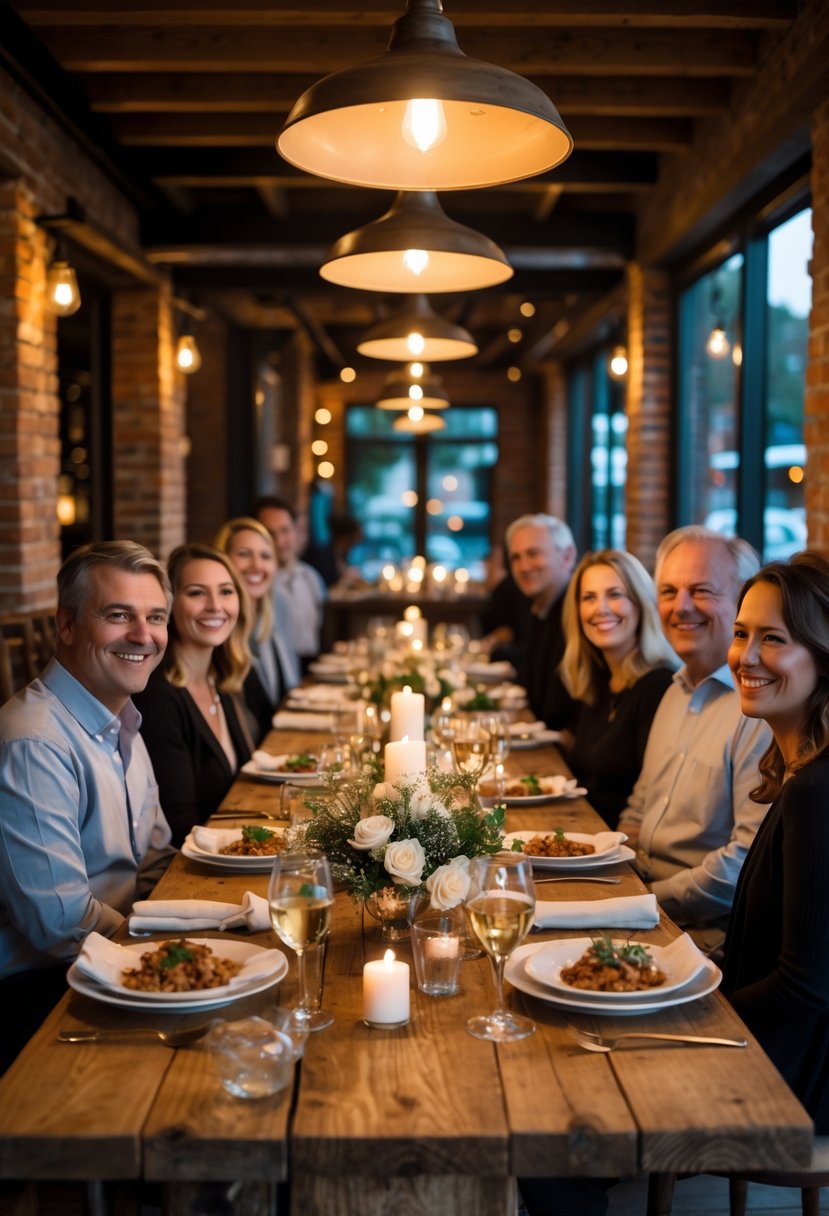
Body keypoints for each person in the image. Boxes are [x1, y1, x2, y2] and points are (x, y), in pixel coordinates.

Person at [0, 541, 175, 1070]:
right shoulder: (34, 742)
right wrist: (173, 953)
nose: (143, 635)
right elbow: (61, 925)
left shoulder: (119, 715)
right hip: (42, 998)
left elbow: (157, 859)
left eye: (155, 617)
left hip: (112, 959)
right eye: (118, 615)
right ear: (67, 625)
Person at [618, 526, 772, 954]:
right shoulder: (673, 691)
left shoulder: (758, 709)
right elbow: (638, 807)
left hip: (698, 939)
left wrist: (646, 900)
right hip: (641, 902)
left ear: (744, 601)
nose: (681, 606)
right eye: (669, 591)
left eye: (701, 590)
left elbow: (745, 863)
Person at [722, 551, 829, 1130]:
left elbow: (804, 986)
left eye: (774, 638)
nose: (748, 657)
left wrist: (702, 1011)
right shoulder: (797, 770)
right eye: (742, 634)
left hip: (795, 1075)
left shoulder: (818, 791)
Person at [133, 544, 255, 848]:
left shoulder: (220, 680)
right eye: (197, 593)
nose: (215, 605)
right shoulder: (158, 697)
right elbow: (180, 825)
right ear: (169, 606)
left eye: (226, 591)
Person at [558, 549, 676, 829]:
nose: (601, 609)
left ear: (641, 603)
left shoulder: (658, 686)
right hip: (586, 834)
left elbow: (655, 802)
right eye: (589, 598)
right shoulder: (600, 682)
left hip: (619, 853)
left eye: (615, 594)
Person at [214, 516, 300, 740]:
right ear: (223, 561)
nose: (257, 566)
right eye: (244, 554)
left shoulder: (268, 625)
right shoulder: (218, 633)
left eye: (265, 556)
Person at [506, 513, 577, 728]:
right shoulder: (539, 610)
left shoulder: (578, 615)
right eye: (516, 558)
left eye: (533, 554)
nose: (524, 567)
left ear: (566, 556)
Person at [255, 495, 327, 674]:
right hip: (273, 673)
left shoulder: (311, 577)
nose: (279, 542)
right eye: (270, 534)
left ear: (296, 530)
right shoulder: (256, 586)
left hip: (312, 669)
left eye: (285, 530)